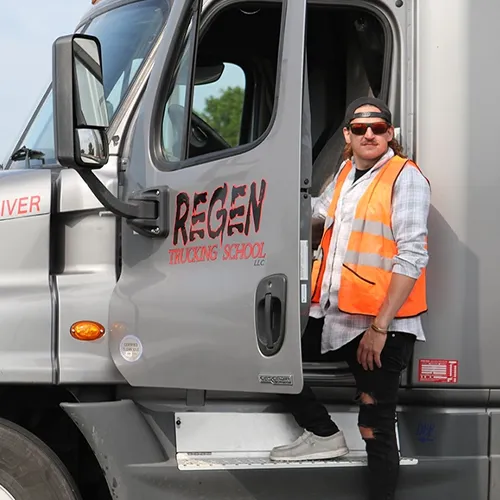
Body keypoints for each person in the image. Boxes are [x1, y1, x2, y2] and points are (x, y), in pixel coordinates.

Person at [270, 96, 431, 500]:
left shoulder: (405, 176)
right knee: (270, 356)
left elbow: (413, 255)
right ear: (348, 135)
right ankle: (322, 433)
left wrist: (380, 328)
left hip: (382, 328)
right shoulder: (346, 173)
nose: (369, 134)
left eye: (378, 128)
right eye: (360, 129)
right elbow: (319, 214)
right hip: (338, 317)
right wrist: (264, 205)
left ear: (390, 134)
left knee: (375, 429)